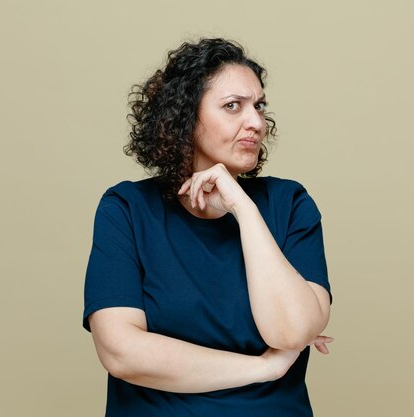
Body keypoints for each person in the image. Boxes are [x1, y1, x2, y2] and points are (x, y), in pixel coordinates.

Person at [82, 38, 333, 416]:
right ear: (184, 117)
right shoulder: (127, 210)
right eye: (233, 106)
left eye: (259, 106)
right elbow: (122, 354)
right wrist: (265, 367)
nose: (256, 123)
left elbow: (292, 332)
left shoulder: (289, 204)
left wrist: (244, 210)